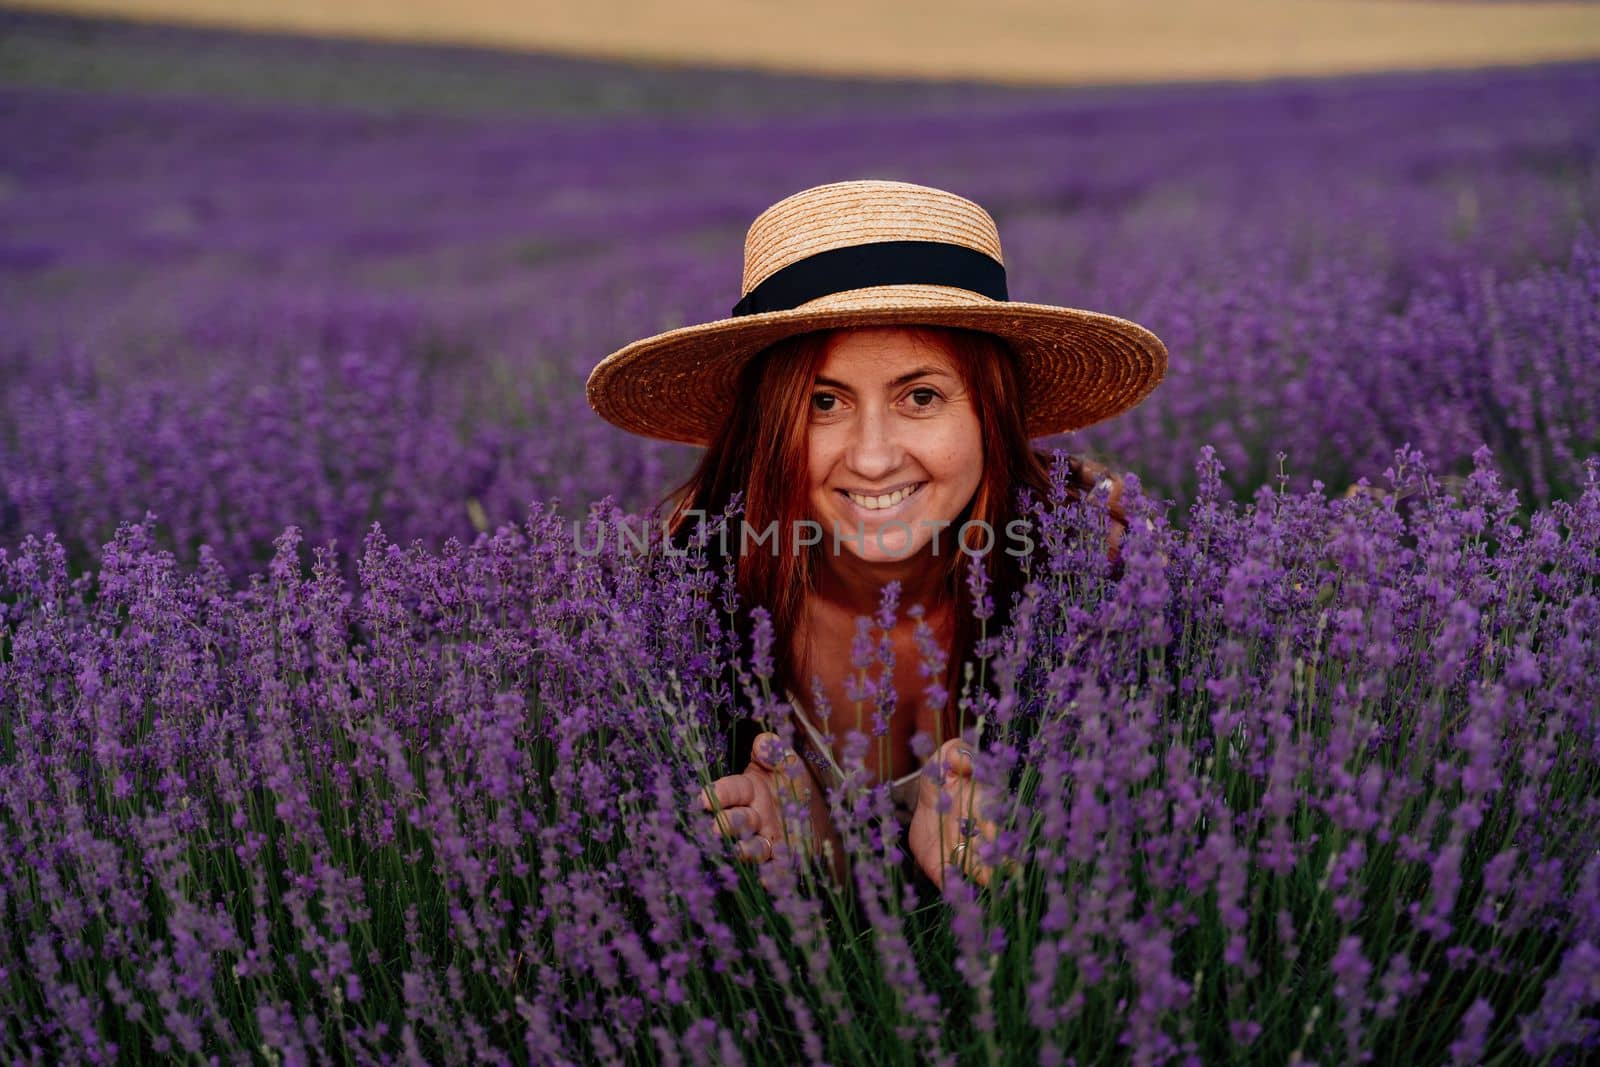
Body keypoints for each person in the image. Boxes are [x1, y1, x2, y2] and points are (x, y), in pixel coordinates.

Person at [586, 179, 1166, 897]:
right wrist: (819, 865)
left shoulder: (1086, 575)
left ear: (992, 411)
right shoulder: (687, 605)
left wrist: (1025, 865)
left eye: (920, 396)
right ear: (770, 427)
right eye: (823, 402)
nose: (871, 457)